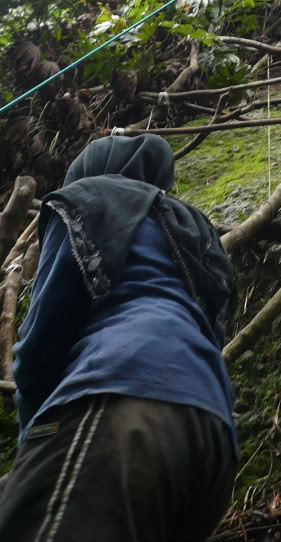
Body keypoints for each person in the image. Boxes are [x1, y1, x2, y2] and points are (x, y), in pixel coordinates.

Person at [0, 135, 237, 542]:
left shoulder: (83, 200)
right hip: (211, 436)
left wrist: (34, 436)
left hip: (119, 399)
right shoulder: (193, 228)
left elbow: (42, 341)